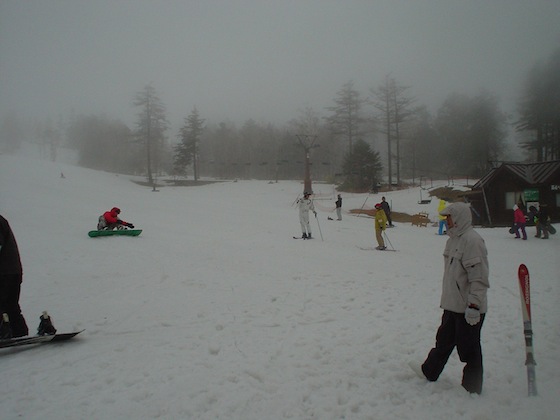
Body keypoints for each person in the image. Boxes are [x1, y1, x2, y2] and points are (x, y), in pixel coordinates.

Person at [411, 202, 489, 394]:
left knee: (469, 348)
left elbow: (479, 278)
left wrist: (474, 305)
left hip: (468, 307)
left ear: (459, 218)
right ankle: (429, 371)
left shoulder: (473, 241)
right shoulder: (452, 240)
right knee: (443, 341)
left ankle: (472, 388)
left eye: (449, 217)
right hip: (452, 304)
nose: (446, 220)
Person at [0, 215, 29, 339]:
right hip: (14, 270)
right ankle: (19, 332)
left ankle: (5, 331)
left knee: (6, 304)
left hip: (4, 272)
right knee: (11, 304)